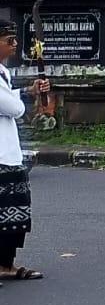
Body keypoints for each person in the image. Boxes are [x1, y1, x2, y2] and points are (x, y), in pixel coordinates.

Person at [0, 21, 50, 286]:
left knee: (13, 212)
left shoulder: (3, 72)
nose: (14, 44)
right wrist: (24, 100)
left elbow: (11, 99)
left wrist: (29, 91)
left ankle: (5, 265)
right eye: (9, 40)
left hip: (8, 151)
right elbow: (13, 108)